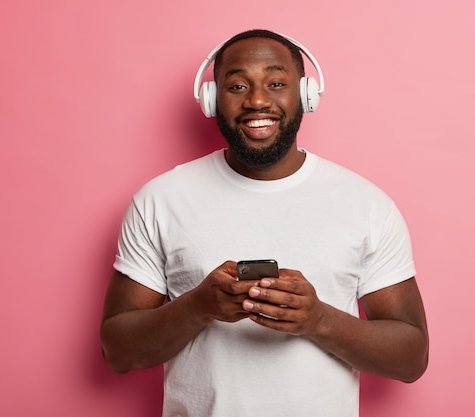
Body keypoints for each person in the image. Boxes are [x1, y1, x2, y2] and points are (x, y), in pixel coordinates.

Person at [100, 29, 429, 417]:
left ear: (306, 94)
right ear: (211, 99)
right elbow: (117, 351)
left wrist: (319, 319)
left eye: (276, 83)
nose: (257, 100)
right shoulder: (160, 200)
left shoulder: (366, 204)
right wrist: (198, 307)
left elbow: (411, 358)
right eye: (237, 85)